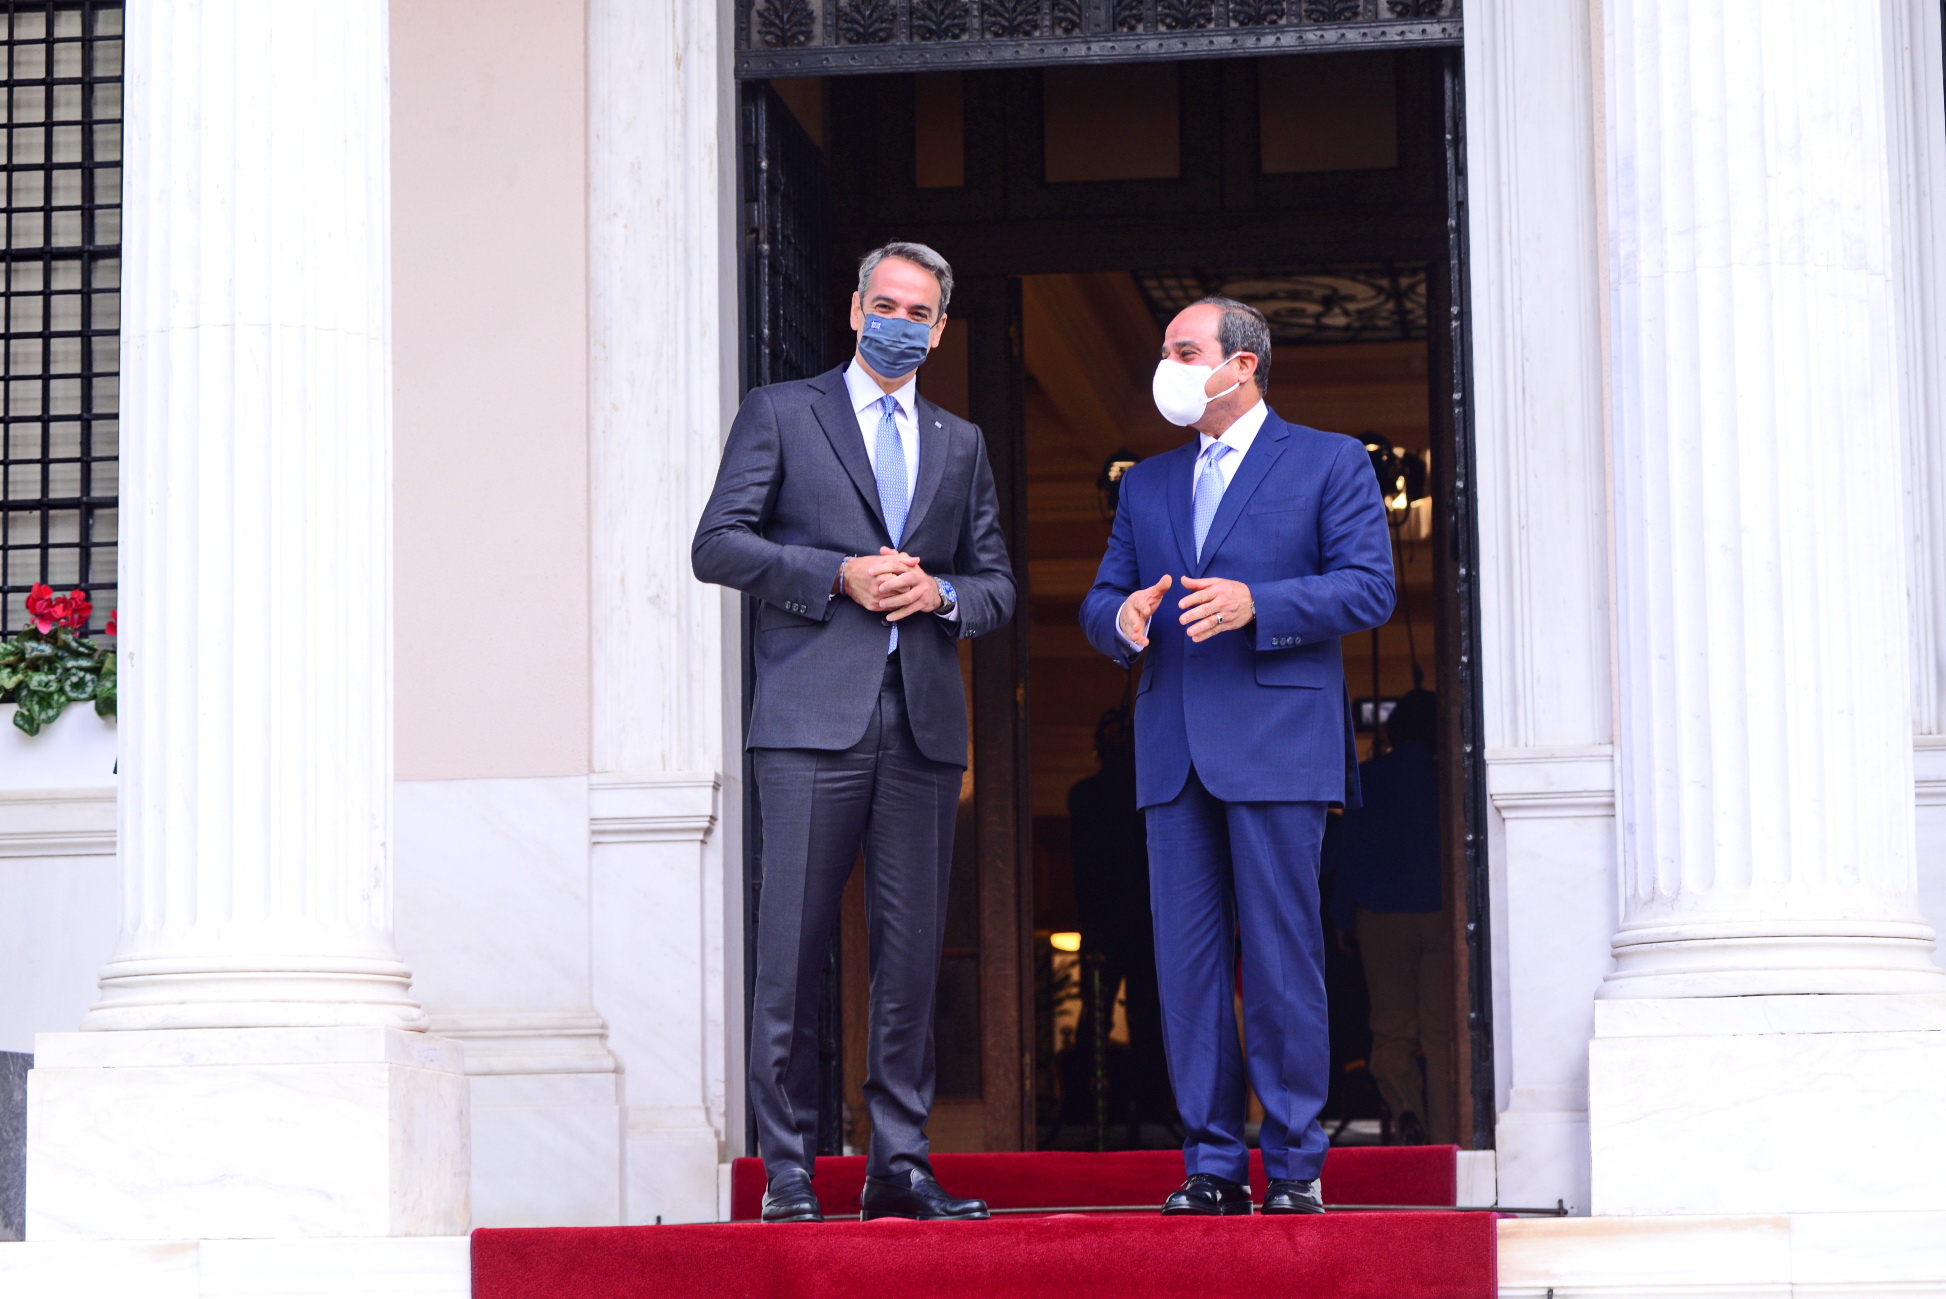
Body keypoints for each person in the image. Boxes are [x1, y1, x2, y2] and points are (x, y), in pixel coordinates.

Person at [692, 241, 1015, 1224]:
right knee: (789, 953)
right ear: (852, 308)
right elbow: (718, 543)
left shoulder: (961, 442)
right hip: (807, 721)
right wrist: (837, 574)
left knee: (909, 957)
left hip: (922, 725)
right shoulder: (782, 412)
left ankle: (898, 1167)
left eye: (918, 313)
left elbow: (997, 585)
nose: (898, 324)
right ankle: (787, 1168)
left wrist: (940, 593)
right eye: (885, 304)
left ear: (940, 329)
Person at [1079, 296, 1394, 1216]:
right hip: (1172, 750)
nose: (1168, 366)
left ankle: (1293, 1165)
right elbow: (1098, 599)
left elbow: (1369, 587)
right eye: (1166, 350)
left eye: (1185, 350)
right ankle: (1211, 1163)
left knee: (1284, 958)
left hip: (1279, 745)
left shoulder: (1329, 460)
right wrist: (1121, 617)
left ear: (1242, 364)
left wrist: (1261, 603)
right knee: (1185, 969)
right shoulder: (1146, 484)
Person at [1324, 688, 1452, 1146]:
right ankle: (1445, 1137)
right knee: (1441, 1036)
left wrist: (1343, 919)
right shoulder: (1449, 779)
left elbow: (1343, 855)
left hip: (1381, 919)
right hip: (1442, 915)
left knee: (1392, 1031)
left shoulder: (1368, 778)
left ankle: (1406, 1112)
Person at [1066, 706, 1170, 1139]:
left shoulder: (1150, 792)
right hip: (1109, 920)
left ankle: (1152, 1109)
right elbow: (1082, 867)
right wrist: (1088, 923)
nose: (1119, 745)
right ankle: (1084, 1111)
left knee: (1148, 1017)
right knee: (1097, 1016)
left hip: (1143, 920)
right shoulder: (1087, 795)